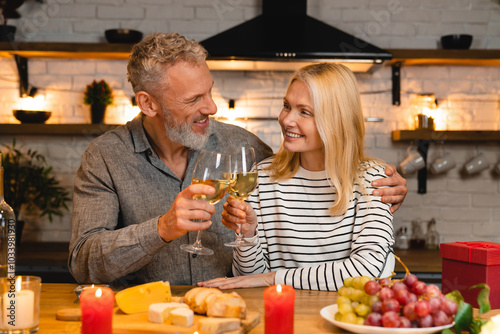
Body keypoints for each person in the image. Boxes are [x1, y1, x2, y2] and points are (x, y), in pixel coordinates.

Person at [68, 33, 407, 286]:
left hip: (234, 316)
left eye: (210, 91)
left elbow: (309, 174)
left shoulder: (245, 149)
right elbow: (84, 262)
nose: (212, 107)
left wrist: (384, 190)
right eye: (194, 99)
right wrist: (162, 228)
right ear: (149, 104)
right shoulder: (105, 158)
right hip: (148, 318)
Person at [199, 63, 395, 291]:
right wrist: (248, 235)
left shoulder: (374, 179)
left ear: (336, 120)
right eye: (286, 106)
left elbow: (366, 271)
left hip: (344, 319)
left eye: (304, 112)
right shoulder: (261, 177)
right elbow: (248, 279)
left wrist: (272, 278)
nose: (286, 120)